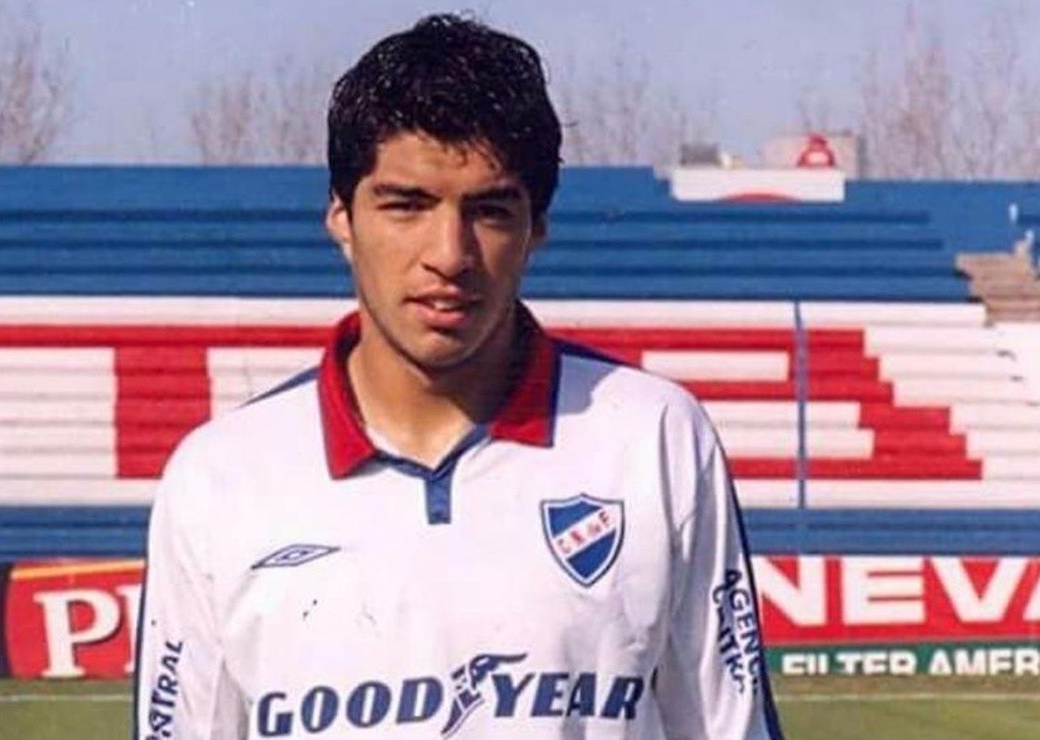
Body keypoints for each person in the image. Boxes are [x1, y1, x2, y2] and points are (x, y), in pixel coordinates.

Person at [133, 13, 783, 739]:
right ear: (342, 218)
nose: (450, 252)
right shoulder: (221, 478)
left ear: (536, 228)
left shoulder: (653, 438)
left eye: (490, 211)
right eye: (406, 205)